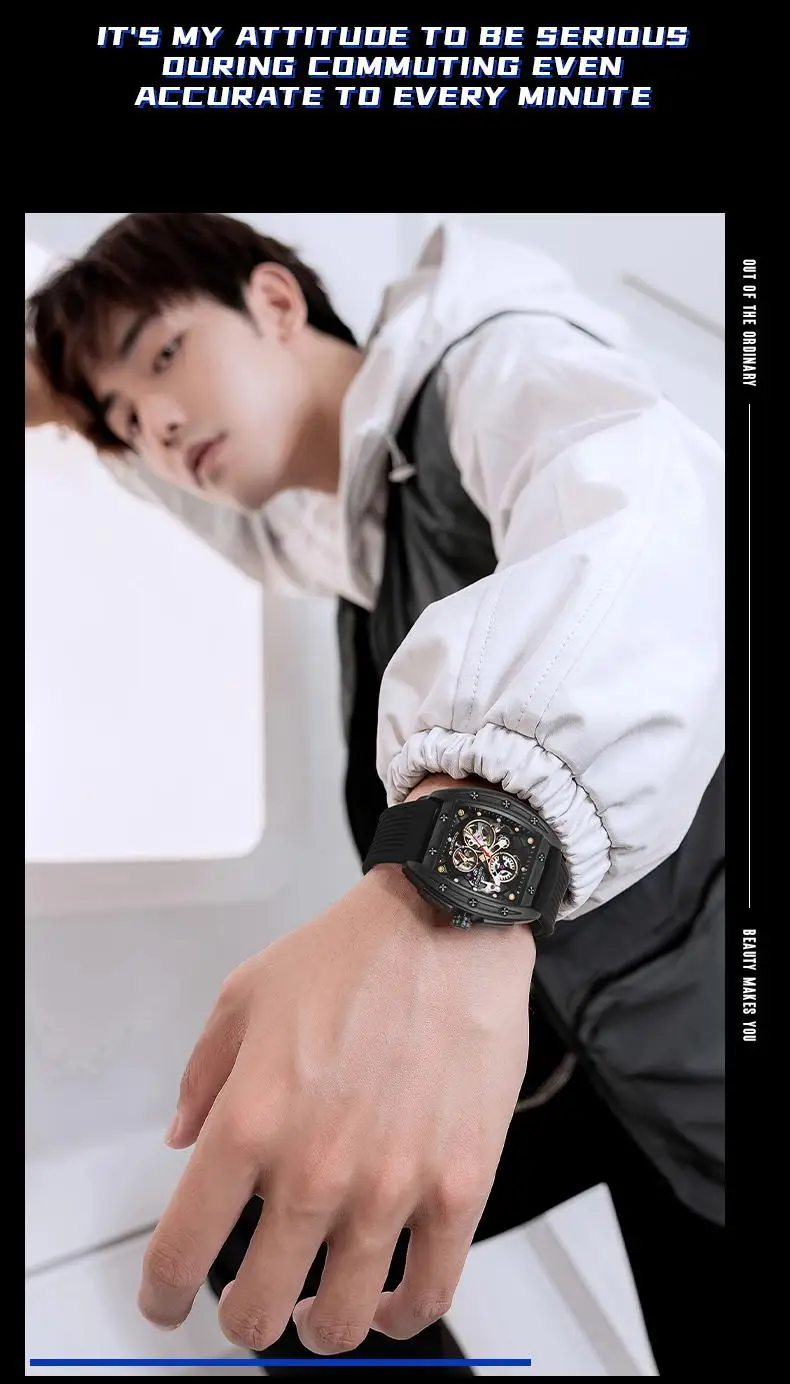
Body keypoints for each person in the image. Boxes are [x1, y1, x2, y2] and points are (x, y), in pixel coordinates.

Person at [25, 213, 725, 1377]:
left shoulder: (490, 357)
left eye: (161, 355)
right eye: (125, 419)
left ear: (276, 302)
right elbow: (230, 507)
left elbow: (643, 519)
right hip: (584, 1051)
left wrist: (452, 883)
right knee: (272, 1262)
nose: (155, 423)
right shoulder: (354, 542)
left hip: (697, 1037)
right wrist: (74, 398)